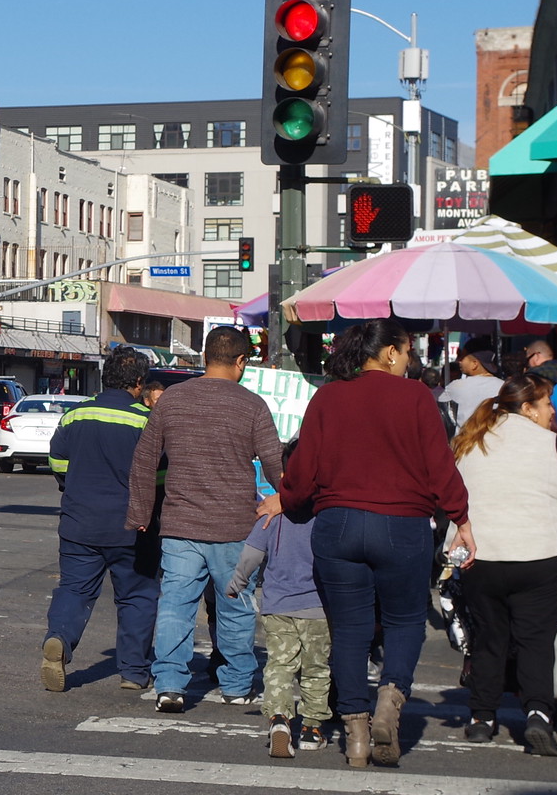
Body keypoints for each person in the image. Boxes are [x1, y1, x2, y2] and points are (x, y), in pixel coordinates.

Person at [281, 318, 470, 769]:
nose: (408, 361)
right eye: (406, 352)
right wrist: (460, 518)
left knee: (349, 630)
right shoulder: (417, 398)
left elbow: (302, 472)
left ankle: (356, 734)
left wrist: (286, 501)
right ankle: (390, 700)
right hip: (402, 526)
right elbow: (439, 467)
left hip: (339, 524)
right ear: (389, 352)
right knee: (405, 621)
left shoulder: (327, 396)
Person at [125, 327, 284, 714]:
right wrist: (286, 499)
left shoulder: (172, 400)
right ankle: (235, 684)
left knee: (176, 606)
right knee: (235, 606)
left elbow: (145, 460)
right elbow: (275, 462)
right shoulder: (252, 405)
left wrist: (141, 513)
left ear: (204, 357)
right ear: (241, 361)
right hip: (234, 527)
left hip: (181, 526)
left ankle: (169, 685)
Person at [450, 376, 557, 756]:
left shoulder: (471, 440)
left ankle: (482, 717)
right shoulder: (556, 444)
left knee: (489, 637)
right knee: (535, 640)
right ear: (527, 408)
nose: (552, 411)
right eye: (546, 403)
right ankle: (538, 711)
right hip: (542, 552)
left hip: (483, 553)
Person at [41, 347, 160, 694]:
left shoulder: (75, 415)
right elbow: (160, 475)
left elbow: (57, 460)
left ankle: (59, 638)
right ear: (138, 383)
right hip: (132, 528)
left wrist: (71, 484)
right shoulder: (145, 420)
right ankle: (134, 672)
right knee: (137, 596)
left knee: (74, 589)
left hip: (79, 523)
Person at [226, 443, 326, 757]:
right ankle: (312, 728)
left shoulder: (272, 514)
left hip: (279, 606)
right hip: (320, 608)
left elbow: (251, 556)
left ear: (282, 476)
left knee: (280, 665)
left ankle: (281, 719)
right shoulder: (326, 515)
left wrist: (237, 584)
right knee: (317, 669)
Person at [438, 338, 502, 432]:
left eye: (462, 356)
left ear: (474, 364)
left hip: (464, 443)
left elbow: (441, 411)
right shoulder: (503, 386)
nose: (459, 360)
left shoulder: (456, 387)